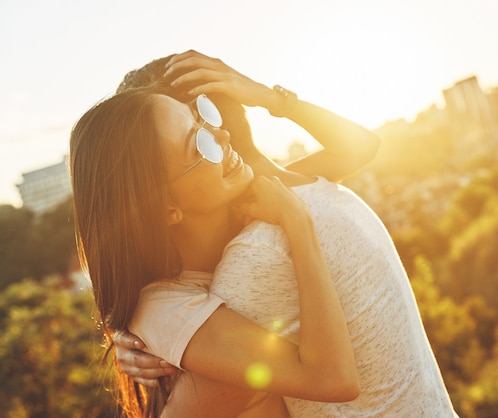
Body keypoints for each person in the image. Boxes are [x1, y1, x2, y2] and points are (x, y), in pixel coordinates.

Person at [114, 51, 458, 417]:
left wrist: (153, 336)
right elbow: (362, 145)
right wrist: (270, 98)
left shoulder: (256, 259)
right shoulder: (313, 189)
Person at [70, 85, 362, 416]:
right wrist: (298, 225)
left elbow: (359, 148)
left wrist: (273, 99)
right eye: (200, 145)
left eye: (203, 115)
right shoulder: (167, 309)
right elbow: (334, 379)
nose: (222, 135)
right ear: (167, 209)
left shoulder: (239, 205)